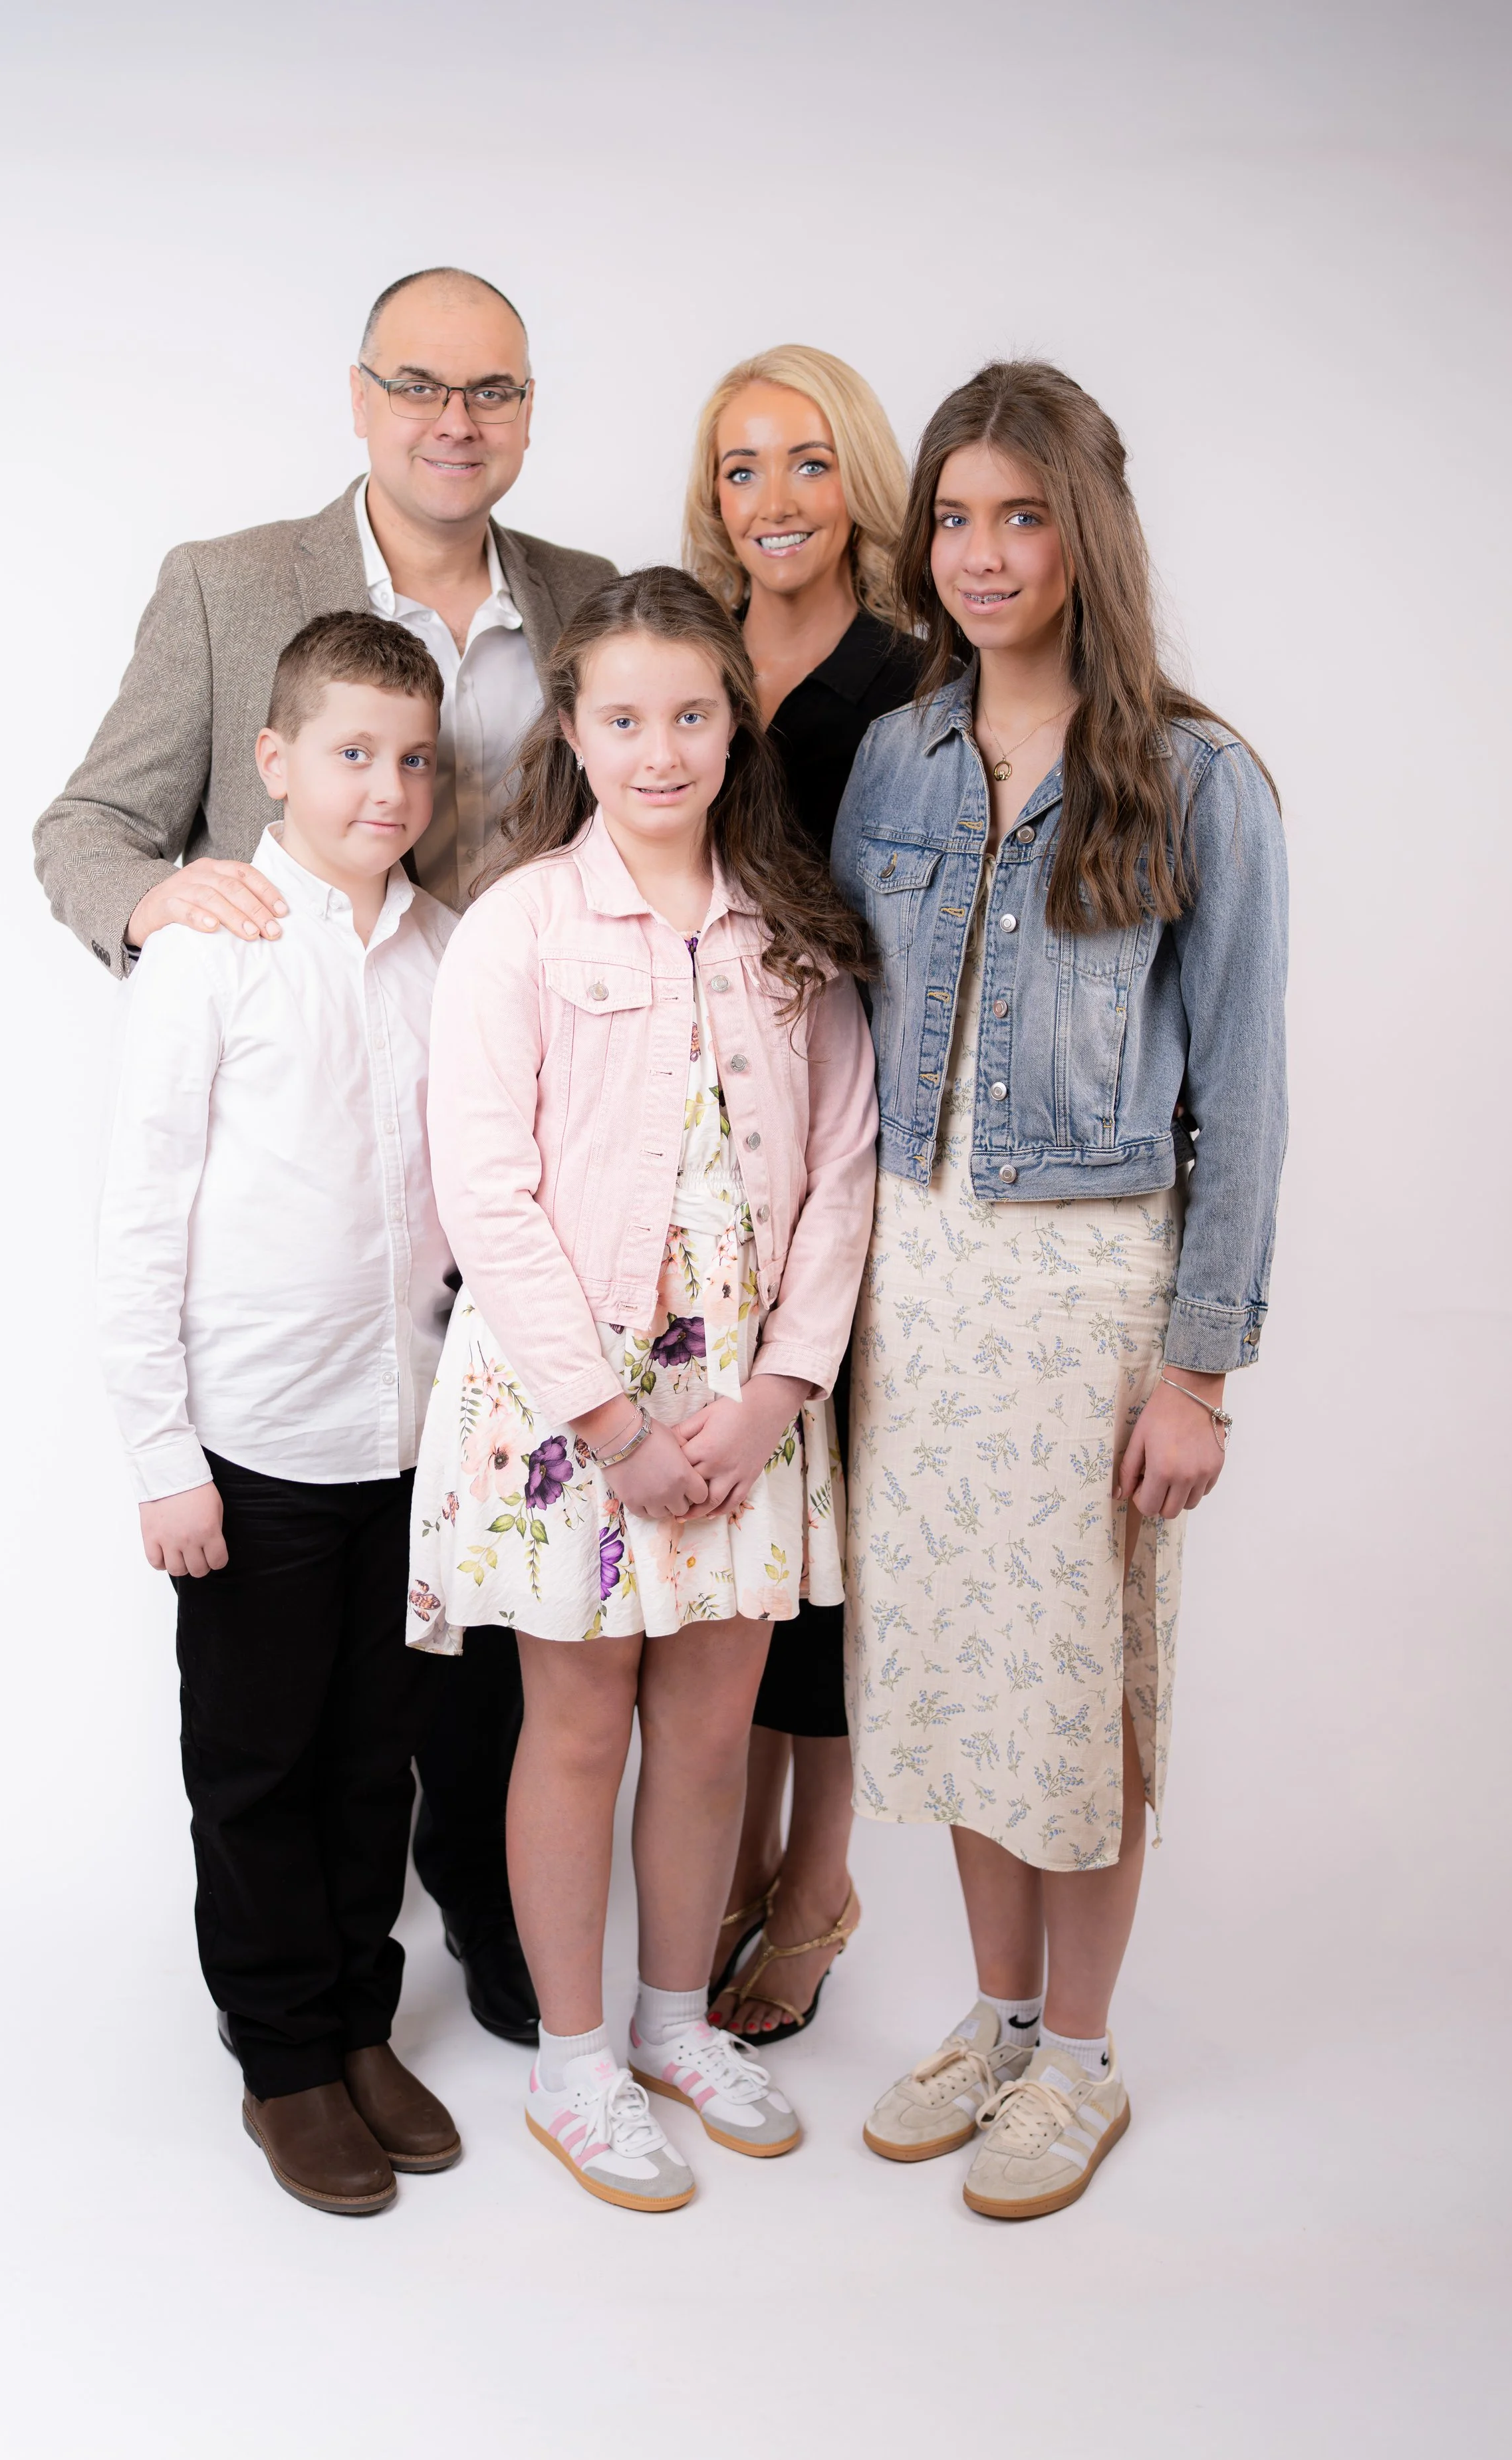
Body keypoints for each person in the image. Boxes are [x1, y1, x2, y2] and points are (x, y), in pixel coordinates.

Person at [37, 267, 619, 2046]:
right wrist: (163, 901)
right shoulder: (229, 592)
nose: (459, 421)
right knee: (295, 1694)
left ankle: (496, 1935)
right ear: (361, 399)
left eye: (496, 390)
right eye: (422, 385)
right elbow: (85, 824)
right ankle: (301, 2018)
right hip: (287, 1173)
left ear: (528, 410)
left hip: (504, 1190)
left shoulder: (590, 604)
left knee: (474, 1642)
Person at [834, 361, 1287, 2219]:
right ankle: (999, 2012)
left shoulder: (1197, 780)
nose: (980, 551)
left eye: (1020, 514)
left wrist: (1197, 1370)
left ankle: (1080, 2057)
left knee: (1078, 1684)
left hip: (1088, 1292)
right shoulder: (896, 758)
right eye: (953, 515)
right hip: (913, 1283)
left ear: (1085, 531)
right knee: (953, 1673)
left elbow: (1241, 1094)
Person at [408, 568, 878, 2211]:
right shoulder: (519, 926)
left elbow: (839, 1174)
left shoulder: (792, 928)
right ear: (573, 729)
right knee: (578, 1720)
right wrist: (607, 1420)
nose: (658, 749)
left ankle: (680, 2021)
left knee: (707, 1724)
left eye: (690, 714)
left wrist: (771, 1397)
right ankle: (578, 2057)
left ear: (732, 723)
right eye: (623, 717)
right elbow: (486, 1185)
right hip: (569, 1410)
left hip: (741, 1409)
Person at [96, 611, 465, 2214]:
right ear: (275, 762)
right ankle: (281, 2057)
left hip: (408, 1435)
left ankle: (358, 2017)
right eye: (351, 753)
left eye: (412, 759)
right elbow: (141, 1213)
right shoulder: (210, 945)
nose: (386, 788)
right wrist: (162, 1455)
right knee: (255, 1761)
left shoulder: (448, 947)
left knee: (373, 1757)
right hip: (255, 1448)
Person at [682, 345, 920, 2042]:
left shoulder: (912, 681)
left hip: (862, 1153)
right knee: (745, 1536)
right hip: (707, 1169)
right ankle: (742, 1852)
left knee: (828, 1548)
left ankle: (814, 1883)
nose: (772, 498)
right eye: (741, 465)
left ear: (861, 487)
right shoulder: (683, 664)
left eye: (807, 461)